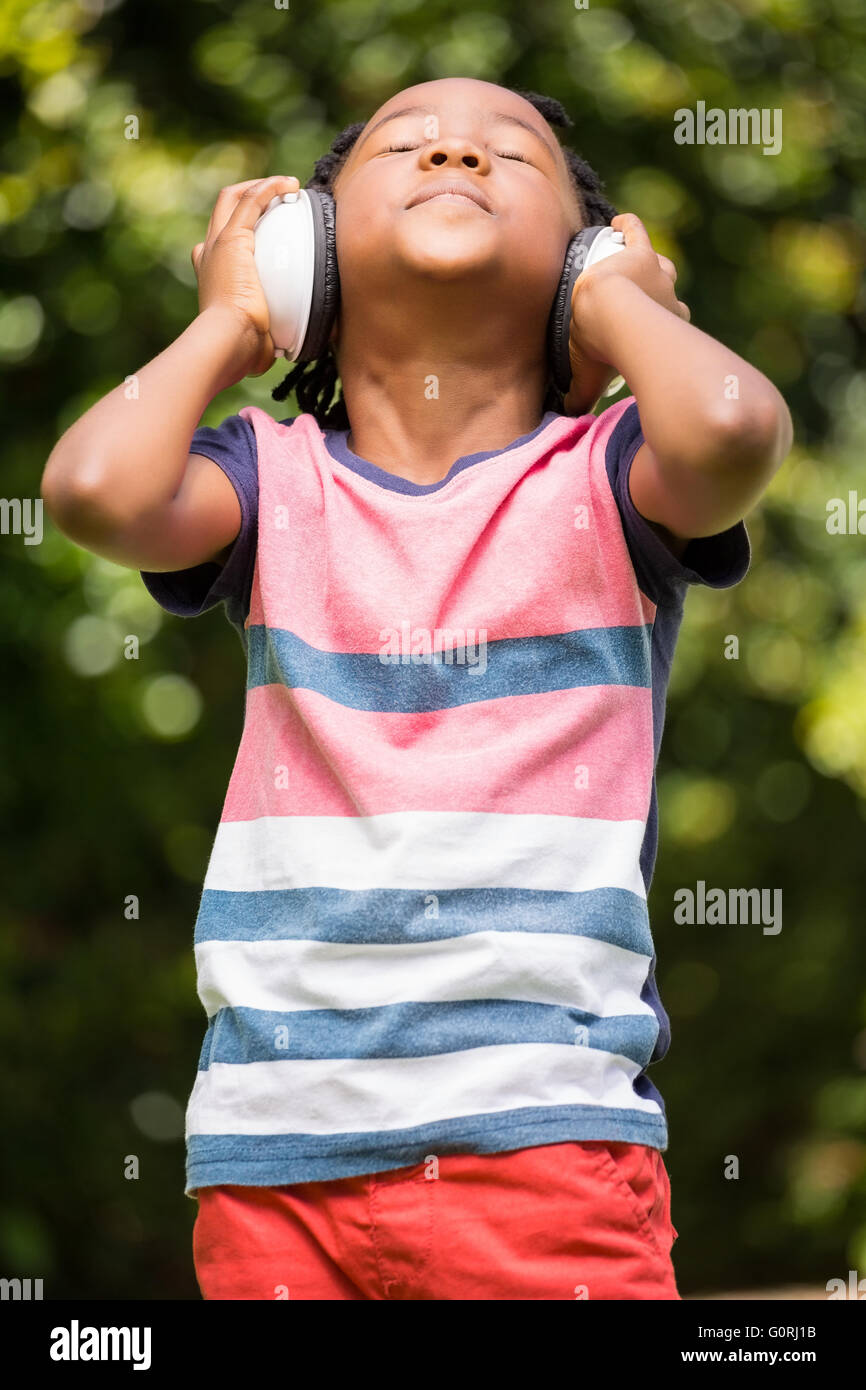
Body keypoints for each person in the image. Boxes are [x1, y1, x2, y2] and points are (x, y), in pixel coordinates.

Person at [40, 76, 793, 1300]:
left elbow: (729, 424)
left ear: (576, 268)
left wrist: (616, 297)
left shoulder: (607, 480)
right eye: (407, 143)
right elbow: (92, 489)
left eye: (515, 155)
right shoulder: (269, 482)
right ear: (313, 257)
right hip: (274, 1151)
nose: (454, 147)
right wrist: (232, 324)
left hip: (541, 1141)